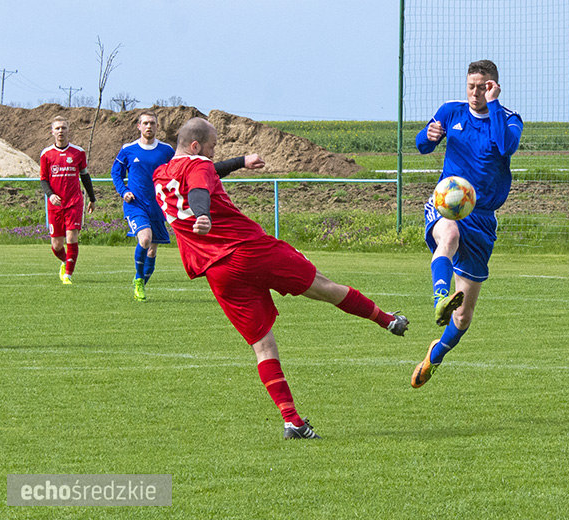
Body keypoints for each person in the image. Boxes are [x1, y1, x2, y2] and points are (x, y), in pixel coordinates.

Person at [153, 117, 409, 440]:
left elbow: (203, 173)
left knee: (263, 345)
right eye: (213, 146)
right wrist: (202, 213)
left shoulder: (161, 174)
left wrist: (240, 162)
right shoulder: (199, 169)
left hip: (217, 271)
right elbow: (201, 187)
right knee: (324, 288)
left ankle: (292, 421)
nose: (213, 152)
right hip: (249, 250)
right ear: (196, 146)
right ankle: (388, 320)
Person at [411, 59, 524, 388]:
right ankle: (440, 298)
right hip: (446, 199)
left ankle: (435, 356)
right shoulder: (451, 111)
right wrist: (428, 135)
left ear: (494, 87)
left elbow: (506, 146)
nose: (476, 92)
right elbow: (421, 145)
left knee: (463, 319)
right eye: (472, 86)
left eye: (483, 86)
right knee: (448, 233)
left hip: (483, 218)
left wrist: (495, 105)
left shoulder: (509, 120)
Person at [111, 111, 175, 301]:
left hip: (158, 206)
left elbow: (175, 173)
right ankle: (138, 279)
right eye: (145, 123)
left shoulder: (166, 151)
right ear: (139, 126)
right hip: (136, 204)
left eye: (152, 123)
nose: (149, 126)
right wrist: (124, 192)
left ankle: (141, 283)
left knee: (152, 251)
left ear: (157, 126)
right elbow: (116, 173)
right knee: (145, 240)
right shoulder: (128, 149)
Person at [39, 116, 97, 285]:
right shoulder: (46, 154)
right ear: (52, 132)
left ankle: (68, 276)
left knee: (71, 238)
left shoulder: (78, 152)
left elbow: (85, 176)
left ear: (68, 130)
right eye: (57, 128)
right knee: (57, 245)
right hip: (55, 205)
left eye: (63, 128)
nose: (60, 131)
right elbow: (43, 179)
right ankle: (65, 262)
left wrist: (92, 198)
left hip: (74, 202)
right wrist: (50, 195)